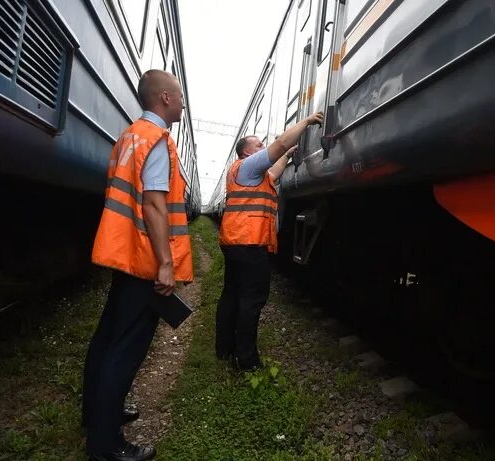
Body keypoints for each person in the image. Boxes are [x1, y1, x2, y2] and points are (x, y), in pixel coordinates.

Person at [83, 69, 193, 461]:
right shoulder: (158, 140)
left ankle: (96, 415)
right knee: (125, 351)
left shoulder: (129, 136)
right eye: (179, 97)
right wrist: (166, 264)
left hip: (123, 252)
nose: (182, 103)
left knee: (106, 339)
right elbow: (153, 204)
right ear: (164, 98)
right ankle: (106, 445)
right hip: (144, 259)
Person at [216, 111, 324, 370]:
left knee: (232, 296)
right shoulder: (249, 165)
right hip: (250, 246)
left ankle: (224, 349)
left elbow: (275, 169)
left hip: (237, 243)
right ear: (246, 153)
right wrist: (307, 121)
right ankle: (247, 360)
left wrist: (287, 157)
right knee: (250, 301)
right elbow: (281, 145)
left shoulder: (250, 174)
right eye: (259, 145)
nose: (264, 147)